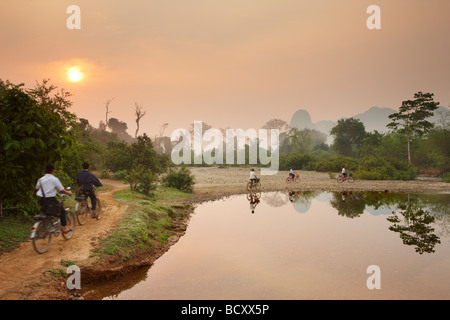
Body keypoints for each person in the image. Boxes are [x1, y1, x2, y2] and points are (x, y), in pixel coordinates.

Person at [36, 164, 72, 233]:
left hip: (41, 200)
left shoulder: (40, 179)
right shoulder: (54, 179)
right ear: (53, 171)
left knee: (48, 211)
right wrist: (68, 192)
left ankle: (45, 224)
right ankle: (64, 228)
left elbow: (37, 187)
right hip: (50, 200)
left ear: (45, 171)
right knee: (62, 210)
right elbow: (61, 190)